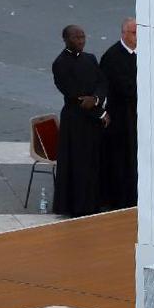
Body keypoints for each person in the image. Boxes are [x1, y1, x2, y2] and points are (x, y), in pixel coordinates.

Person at [51, 25, 107, 217]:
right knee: (77, 164)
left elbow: (102, 82)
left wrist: (97, 100)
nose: (81, 40)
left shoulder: (90, 59)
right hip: (75, 122)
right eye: (76, 38)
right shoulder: (60, 64)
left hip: (91, 121)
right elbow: (76, 97)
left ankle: (93, 203)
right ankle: (76, 206)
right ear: (65, 39)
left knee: (93, 162)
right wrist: (100, 114)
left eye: (83, 37)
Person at [98, 18, 138, 210]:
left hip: (137, 116)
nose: (138, 37)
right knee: (122, 159)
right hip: (122, 118)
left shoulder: (144, 52)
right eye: (134, 33)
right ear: (123, 34)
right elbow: (123, 88)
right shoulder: (112, 56)